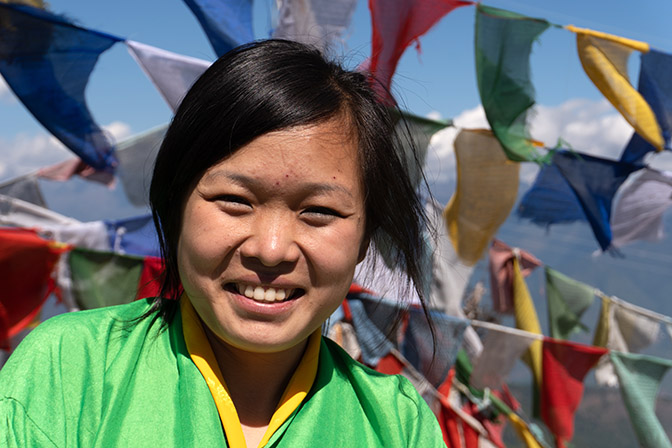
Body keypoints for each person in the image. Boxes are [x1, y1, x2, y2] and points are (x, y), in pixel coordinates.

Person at [0, 39, 445, 447]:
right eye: (234, 201)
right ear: (175, 208)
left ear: (366, 237)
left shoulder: (397, 425)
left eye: (319, 212)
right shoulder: (70, 370)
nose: (271, 250)